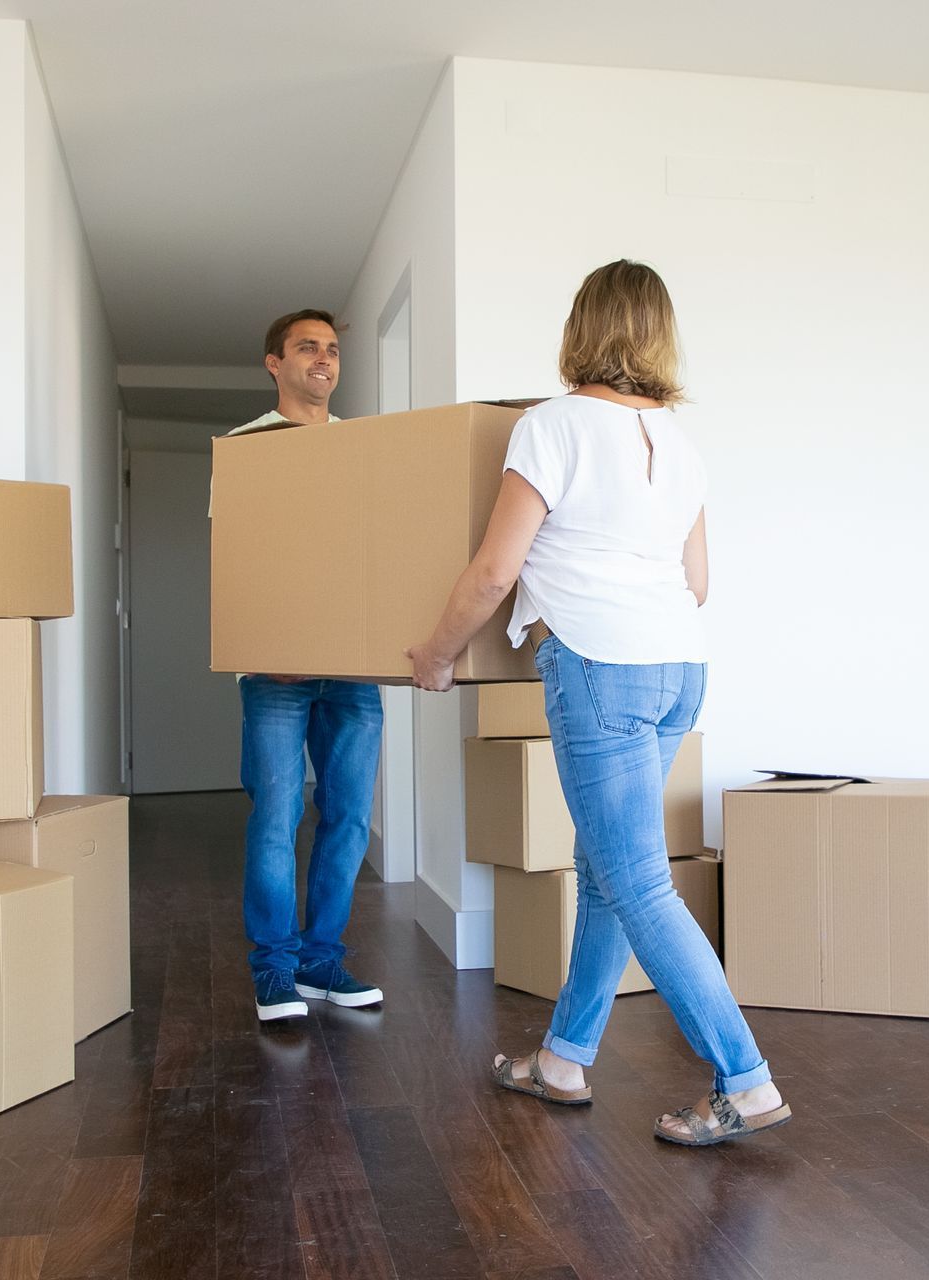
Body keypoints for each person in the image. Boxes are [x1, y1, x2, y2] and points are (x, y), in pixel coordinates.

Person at [406, 261, 789, 1146]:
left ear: (582, 327)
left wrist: (435, 655)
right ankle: (564, 1058)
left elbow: (496, 570)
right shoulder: (681, 445)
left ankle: (747, 1080)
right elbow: (697, 580)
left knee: (636, 881)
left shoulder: (551, 427)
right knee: (607, 870)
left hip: (601, 668)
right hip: (678, 671)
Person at [229, 308, 385, 1023]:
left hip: (353, 665)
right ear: (274, 362)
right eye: (306, 347)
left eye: (332, 349)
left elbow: (382, 552)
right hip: (275, 673)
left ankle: (324, 961)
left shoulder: (367, 449)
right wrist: (270, 643)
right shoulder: (245, 448)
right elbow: (238, 561)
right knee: (277, 816)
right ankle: (275, 969)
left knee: (349, 816)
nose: (324, 358)